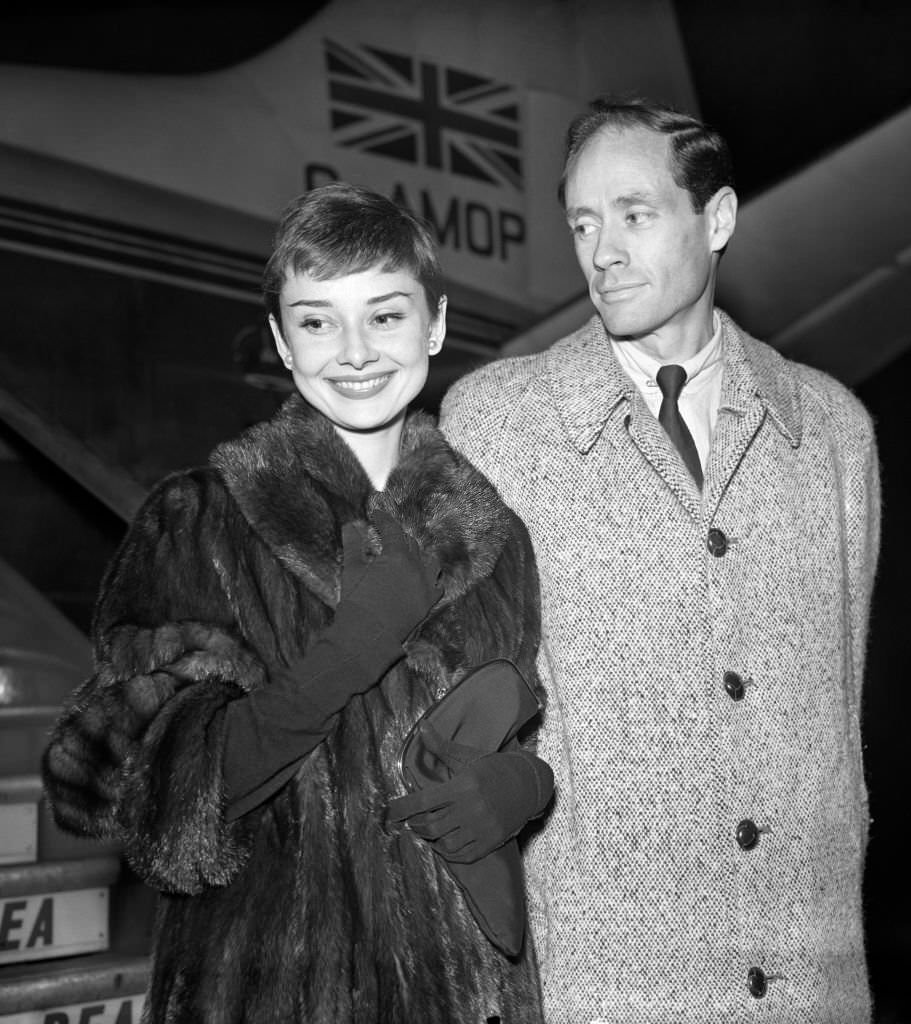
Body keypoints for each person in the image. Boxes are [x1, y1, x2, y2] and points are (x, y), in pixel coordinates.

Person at [42, 182, 553, 1023]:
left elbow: (514, 732)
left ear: (435, 324)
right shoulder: (201, 519)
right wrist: (350, 651)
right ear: (282, 341)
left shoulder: (498, 539)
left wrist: (526, 787)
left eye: (384, 316)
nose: (353, 351)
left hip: (473, 992)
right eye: (317, 321)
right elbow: (133, 800)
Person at [440, 97, 881, 1023]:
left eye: (634, 215)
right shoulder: (495, 424)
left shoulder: (834, 433)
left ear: (714, 220)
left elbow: (836, 709)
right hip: (603, 982)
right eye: (583, 223)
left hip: (814, 979)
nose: (602, 251)